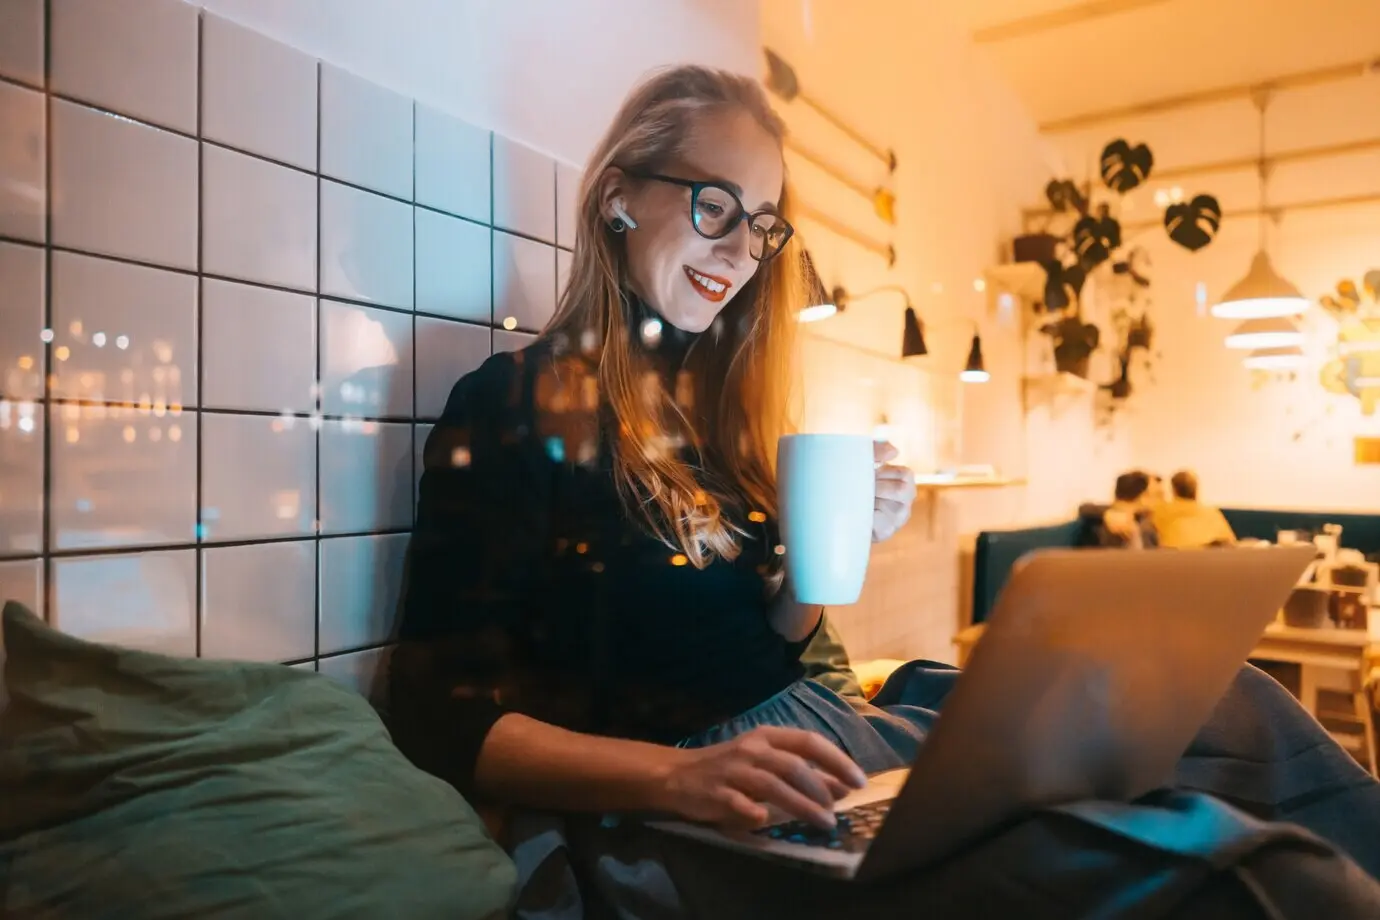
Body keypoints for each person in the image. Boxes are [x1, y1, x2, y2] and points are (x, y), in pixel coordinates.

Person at [388, 66, 1380, 918]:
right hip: (682, 798)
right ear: (617, 196)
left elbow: (771, 637)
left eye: (763, 226)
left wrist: (830, 545)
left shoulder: (705, 416)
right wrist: (684, 775)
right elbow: (441, 711)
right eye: (714, 206)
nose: (740, 253)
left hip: (813, 731)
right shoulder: (516, 402)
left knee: (1238, 706)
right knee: (1231, 873)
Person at [1154, 470, 1237, 549]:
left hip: (1174, 557)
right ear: (1196, 489)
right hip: (1208, 556)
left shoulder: (1162, 510)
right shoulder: (1211, 512)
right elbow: (1230, 542)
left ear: (1173, 489)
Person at [1080, 470, 1160, 548]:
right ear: (1143, 497)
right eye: (1157, 495)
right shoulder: (1144, 529)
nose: (1160, 501)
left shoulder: (1144, 522)